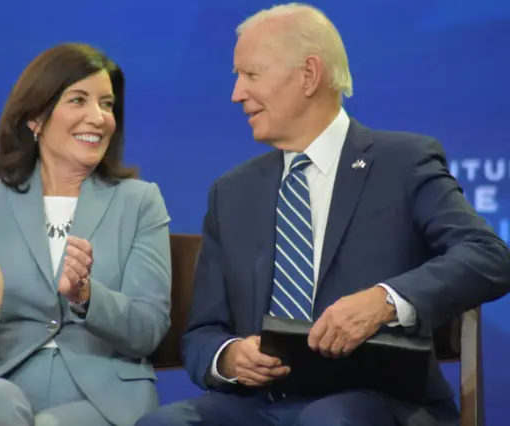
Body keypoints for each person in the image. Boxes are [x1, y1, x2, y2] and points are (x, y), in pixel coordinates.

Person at [136, 3, 510, 426]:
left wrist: (386, 300)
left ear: (309, 75)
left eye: (251, 74)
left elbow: (488, 255)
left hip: (379, 399)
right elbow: (203, 333)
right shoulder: (231, 193)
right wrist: (230, 357)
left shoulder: (402, 163)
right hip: (258, 402)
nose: (236, 93)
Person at [0, 43, 172, 426]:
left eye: (107, 104)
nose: (98, 118)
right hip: (6, 385)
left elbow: (149, 329)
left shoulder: (140, 201)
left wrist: (87, 297)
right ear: (35, 118)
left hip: (106, 396)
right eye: (78, 100)